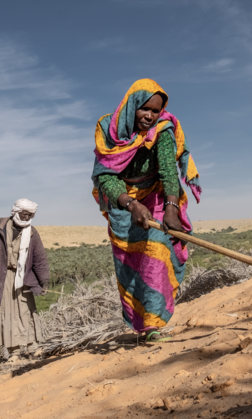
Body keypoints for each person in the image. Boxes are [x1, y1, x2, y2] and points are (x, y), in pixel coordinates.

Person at [92, 78, 202, 343]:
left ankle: (152, 326)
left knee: (155, 252)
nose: (150, 116)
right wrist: (131, 205)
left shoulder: (163, 128)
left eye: (156, 111)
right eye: (145, 109)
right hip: (122, 200)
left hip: (158, 195)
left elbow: (167, 168)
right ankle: (140, 323)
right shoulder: (108, 129)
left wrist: (172, 207)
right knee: (130, 260)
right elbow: (106, 176)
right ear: (132, 106)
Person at [0, 198, 49, 358]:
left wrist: (44, 279)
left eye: (30, 215)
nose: (26, 217)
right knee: (7, 313)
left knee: (26, 311)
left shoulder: (32, 232)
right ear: (16, 212)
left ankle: (33, 347)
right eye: (24, 214)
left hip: (24, 278)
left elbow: (40, 258)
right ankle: (14, 352)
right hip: (2, 276)